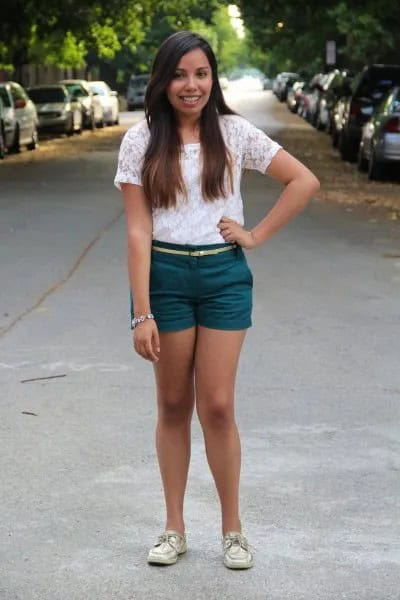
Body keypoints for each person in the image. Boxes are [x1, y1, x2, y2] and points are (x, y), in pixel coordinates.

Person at [114, 31, 319, 570]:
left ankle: (233, 531)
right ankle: (174, 528)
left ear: (213, 80)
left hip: (224, 277)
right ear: (164, 80)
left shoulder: (233, 133)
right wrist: (142, 311)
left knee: (219, 406)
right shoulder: (140, 141)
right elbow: (137, 231)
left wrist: (255, 235)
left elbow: (303, 181)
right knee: (175, 405)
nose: (191, 85)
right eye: (180, 74)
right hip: (167, 277)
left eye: (201, 74)